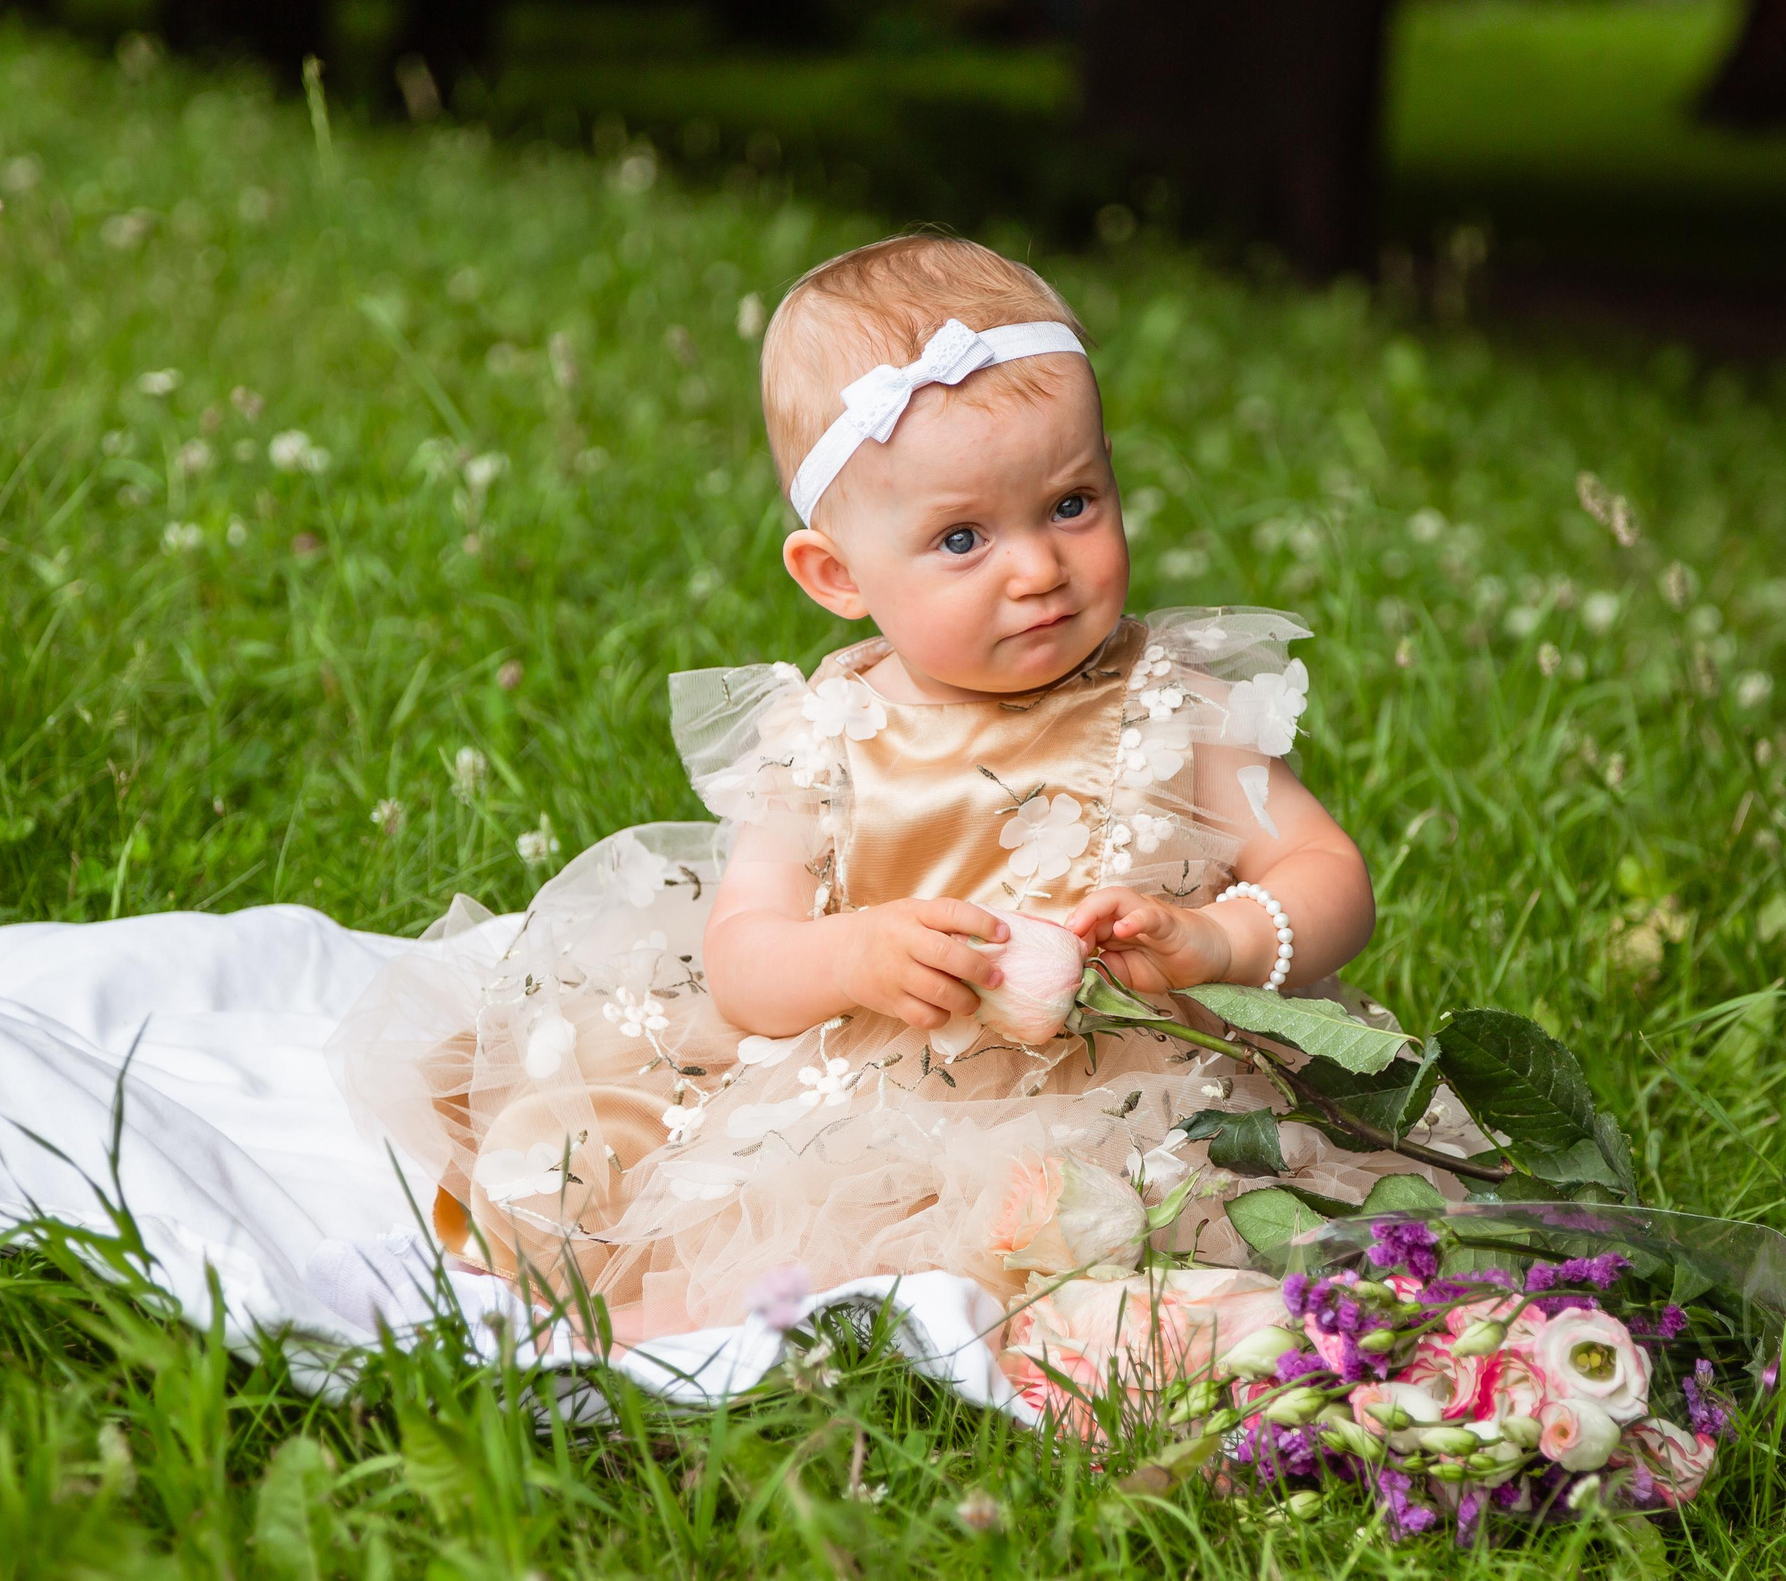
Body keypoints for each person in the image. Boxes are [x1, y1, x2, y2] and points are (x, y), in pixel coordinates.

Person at [334, 234, 1457, 1348]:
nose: (1038, 568)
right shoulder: (830, 732)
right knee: (770, 1228)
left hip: (1151, 1088)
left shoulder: (1173, 705)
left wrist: (1218, 940)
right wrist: (854, 955)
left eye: (1072, 503)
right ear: (835, 574)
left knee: (1216, 1240)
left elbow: (1326, 873)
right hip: (883, 1096)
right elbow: (744, 959)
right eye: (963, 537)